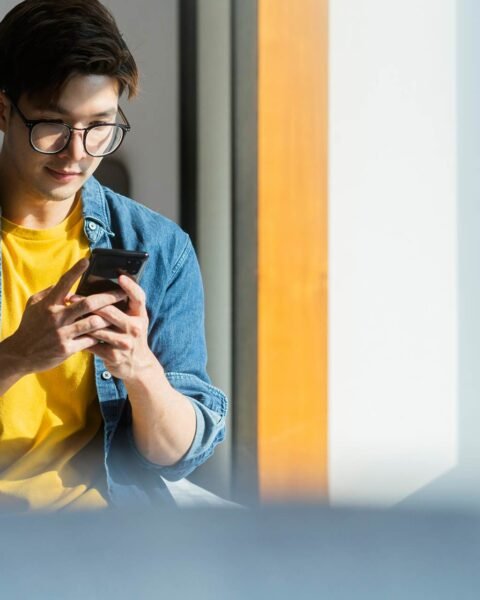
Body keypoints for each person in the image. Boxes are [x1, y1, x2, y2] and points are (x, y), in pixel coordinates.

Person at [0, 0, 227, 511]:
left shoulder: (156, 246)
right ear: (2, 109)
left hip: (106, 533)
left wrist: (139, 368)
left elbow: (178, 457)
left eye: (100, 124)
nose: (78, 152)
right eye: (53, 124)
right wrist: (18, 356)